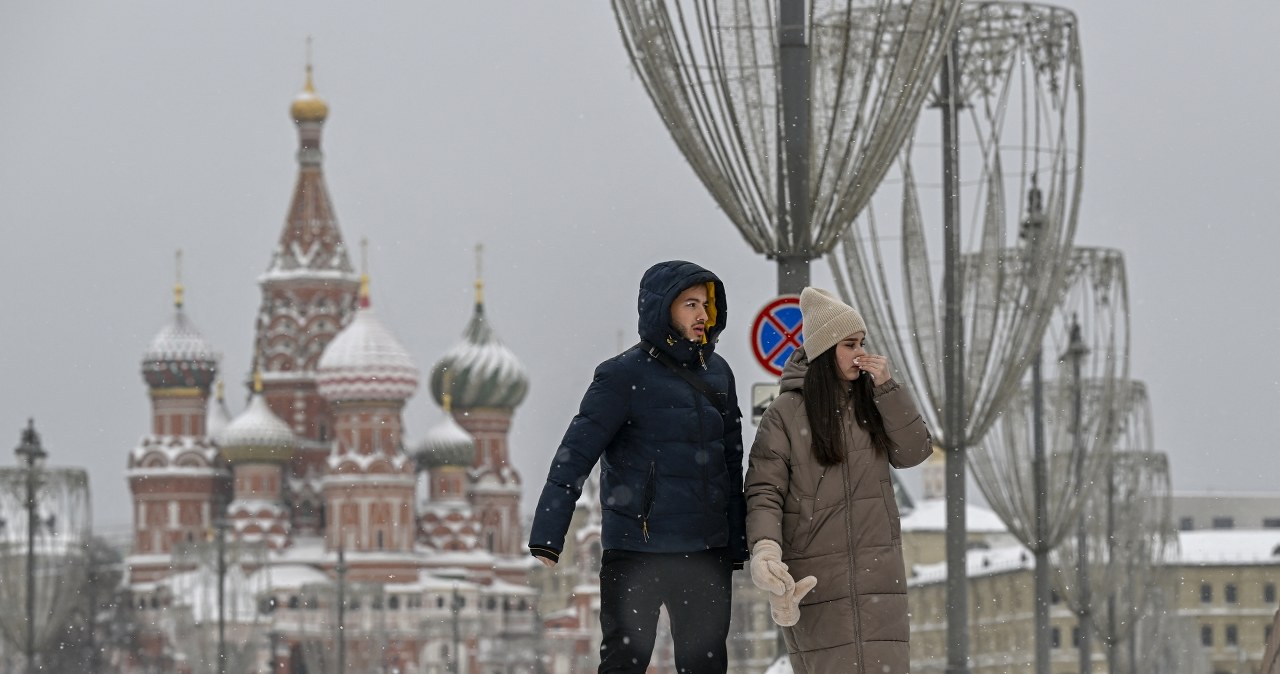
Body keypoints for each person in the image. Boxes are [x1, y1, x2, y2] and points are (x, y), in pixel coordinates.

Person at [529, 260, 747, 674]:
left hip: (704, 553)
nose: (703, 315)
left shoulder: (718, 374)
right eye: (690, 304)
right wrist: (548, 534)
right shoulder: (621, 376)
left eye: (706, 304)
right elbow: (575, 454)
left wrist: (736, 541)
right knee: (624, 664)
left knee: (705, 666)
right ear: (662, 309)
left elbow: (730, 463)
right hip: (636, 550)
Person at [744, 286, 931, 674]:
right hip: (816, 579)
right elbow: (765, 490)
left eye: (862, 341)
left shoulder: (873, 403)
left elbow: (914, 451)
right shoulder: (785, 413)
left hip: (879, 578)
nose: (860, 352)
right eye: (849, 343)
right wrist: (765, 549)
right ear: (826, 350)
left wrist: (888, 389)